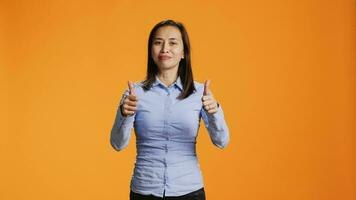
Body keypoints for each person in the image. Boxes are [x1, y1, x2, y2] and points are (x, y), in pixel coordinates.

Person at [110, 19, 230, 200]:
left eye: (173, 43)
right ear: (151, 51)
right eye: (158, 42)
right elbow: (117, 144)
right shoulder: (135, 93)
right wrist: (124, 115)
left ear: (183, 52)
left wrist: (215, 113)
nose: (165, 48)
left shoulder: (199, 93)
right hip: (145, 189)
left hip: (189, 190)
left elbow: (221, 142)